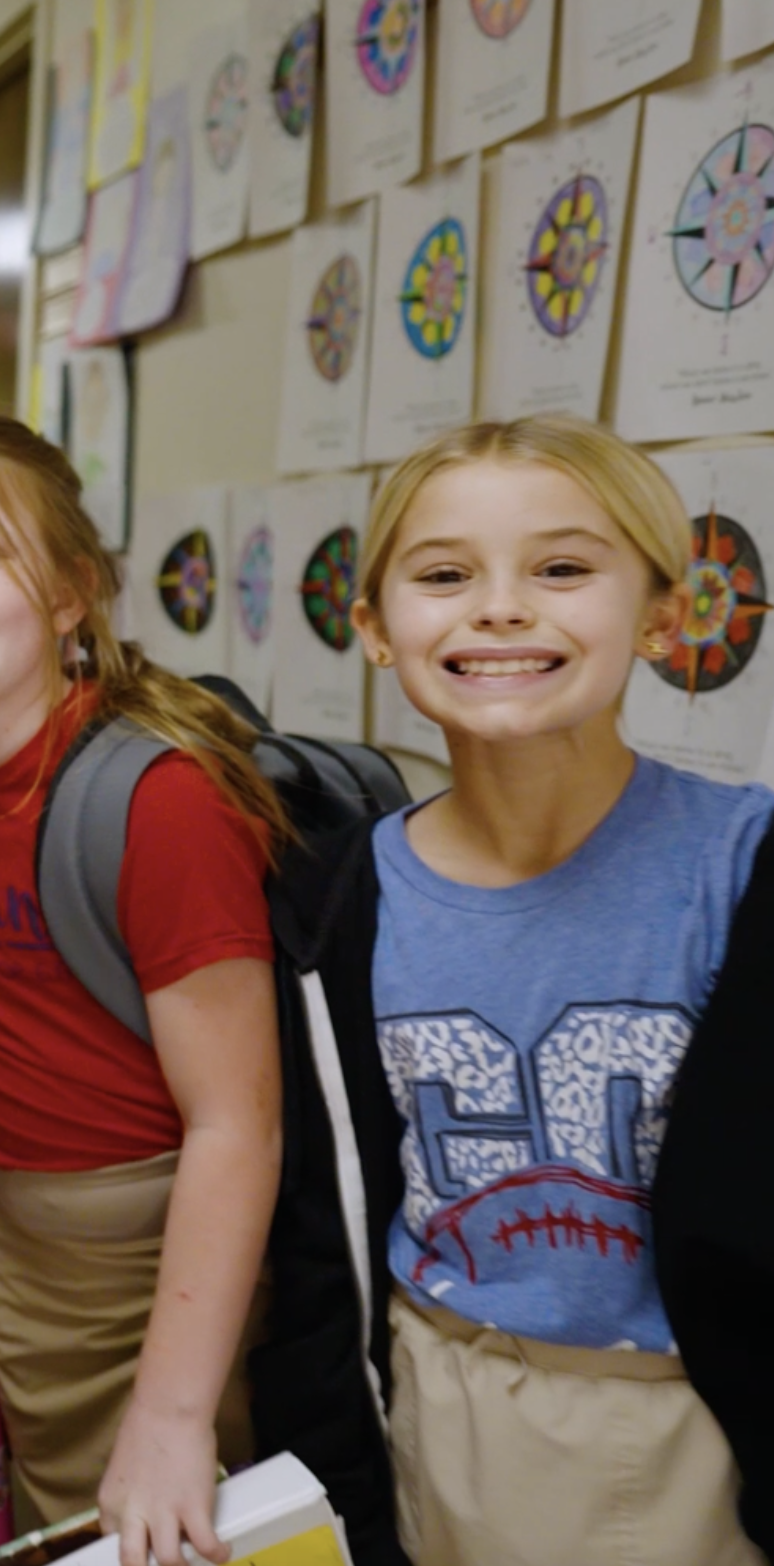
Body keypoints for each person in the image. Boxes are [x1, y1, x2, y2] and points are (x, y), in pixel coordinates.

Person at [266, 416, 771, 1566]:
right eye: (445, 575)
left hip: (698, 1427)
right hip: (442, 1410)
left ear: (663, 614)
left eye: (561, 568)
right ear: (375, 629)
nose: (500, 607)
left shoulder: (744, 869)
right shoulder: (333, 902)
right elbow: (318, 1212)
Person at [0, 413, 283, 1566]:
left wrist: (175, 1415)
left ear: (74, 593)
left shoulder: (157, 800)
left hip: (165, 1260)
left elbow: (239, 1125)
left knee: (172, 1531)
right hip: (25, 1251)